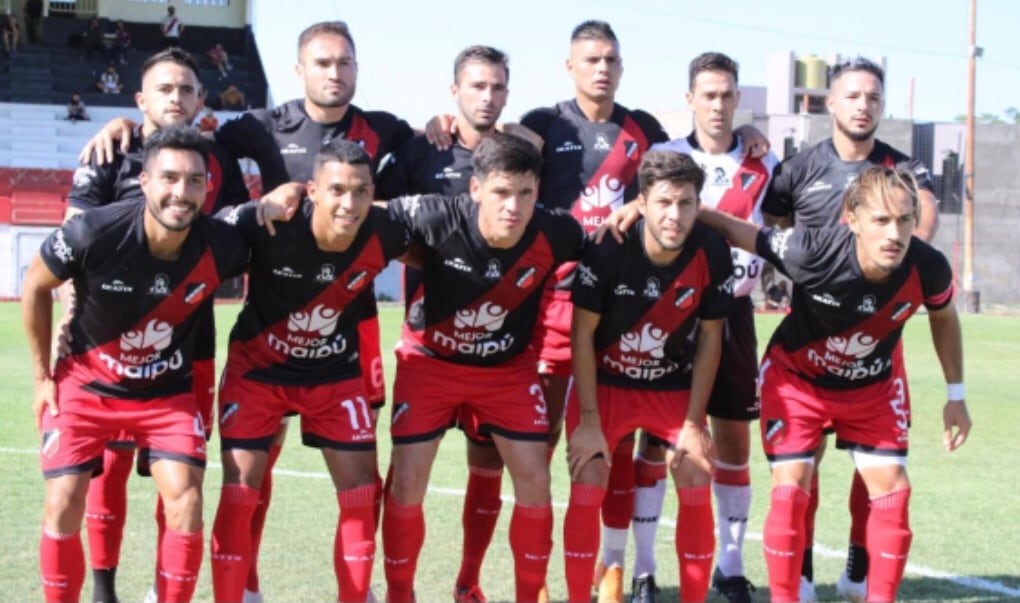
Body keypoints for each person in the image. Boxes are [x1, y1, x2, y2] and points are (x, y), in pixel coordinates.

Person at [699, 165, 971, 603]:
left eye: (904, 220)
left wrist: (955, 395)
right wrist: (651, 206)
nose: (894, 234)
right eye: (881, 220)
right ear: (853, 220)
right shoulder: (811, 251)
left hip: (872, 388)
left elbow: (943, 316)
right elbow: (734, 228)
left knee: (894, 494)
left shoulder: (928, 266)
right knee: (789, 491)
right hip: (797, 383)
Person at [64, 48, 261, 603]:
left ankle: (161, 589)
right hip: (106, 347)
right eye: (165, 89)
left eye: (187, 90)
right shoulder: (110, 150)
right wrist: (68, 310)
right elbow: (72, 241)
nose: (176, 97)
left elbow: (235, 233)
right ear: (141, 100)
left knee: (181, 476)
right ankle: (104, 588)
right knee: (110, 469)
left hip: (188, 347)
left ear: (201, 101)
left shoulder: (214, 161)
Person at [22, 125, 250, 603]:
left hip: (166, 395)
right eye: (168, 178)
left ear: (208, 188)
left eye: (194, 181)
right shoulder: (94, 231)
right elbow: (36, 284)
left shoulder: (223, 245)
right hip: (86, 385)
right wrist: (43, 377)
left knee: (186, 500)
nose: (181, 193)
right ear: (144, 182)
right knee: (63, 500)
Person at [760, 56, 939, 603]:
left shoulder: (903, 171)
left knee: (879, 473)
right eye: (853, 95)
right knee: (799, 473)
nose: (864, 105)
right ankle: (803, 576)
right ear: (829, 103)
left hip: (879, 343)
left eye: (874, 97)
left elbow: (924, 218)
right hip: (809, 340)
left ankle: (859, 571)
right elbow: (775, 226)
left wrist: (899, 263)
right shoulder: (797, 169)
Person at [381, 133, 586, 603]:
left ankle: (503, 591)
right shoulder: (435, 215)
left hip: (506, 371)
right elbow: (362, 212)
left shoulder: (560, 232)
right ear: (475, 189)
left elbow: (615, 250)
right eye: (500, 192)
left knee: (535, 478)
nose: (513, 205)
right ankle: (399, 595)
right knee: (409, 478)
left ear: (538, 190)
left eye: (525, 193)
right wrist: (291, 195)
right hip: (429, 362)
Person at [209, 140, 409, 603]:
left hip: (334, 377)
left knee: (363, 489)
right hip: (258, 371)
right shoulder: (269, 223)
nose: (349, 203)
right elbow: (201, 237)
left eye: (361, 191)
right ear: (312, 190)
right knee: (241, 490)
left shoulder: (386, 231)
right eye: (337, 189)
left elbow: (443, 240)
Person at [628, 52, 778, 603]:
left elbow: (780, 227)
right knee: (657, 442)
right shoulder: (664, 157)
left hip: (734, 310)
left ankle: (731, 565)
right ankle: (644, 571)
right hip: (669, 313)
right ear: (690, 99)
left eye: (727, 94)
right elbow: (639, 214)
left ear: (739, 100)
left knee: (733, 439)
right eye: (707, 94)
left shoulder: (767, 164)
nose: (717, 104)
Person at [563, 149, 732, 603]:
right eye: (664, 202)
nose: (674, 215)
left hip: (670, 387)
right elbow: (582, 334)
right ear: (643, 202)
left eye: (686, 203)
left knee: (697, 472)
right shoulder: (608, 246)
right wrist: (591, 420)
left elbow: (711, 339)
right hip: (606, 386)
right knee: (589, 476)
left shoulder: (712, 251)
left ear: (699, 205)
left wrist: (695, 425)